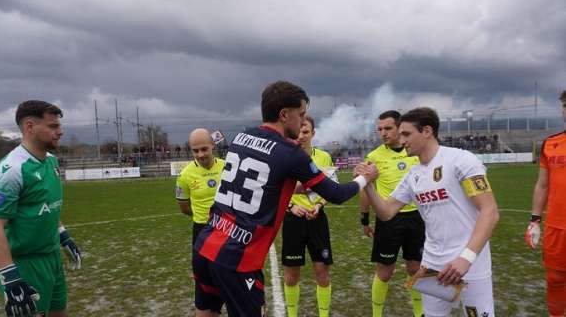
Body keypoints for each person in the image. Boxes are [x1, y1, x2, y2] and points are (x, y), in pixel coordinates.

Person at [192, 81, 377, 317]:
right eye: (300, 115)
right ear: (284, 114)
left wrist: (298, 186)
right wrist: (365, 178)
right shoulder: (292, 155)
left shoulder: (241, 137)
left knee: (205, 313)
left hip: (206, 245)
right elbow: (337, 195)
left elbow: (264, 185)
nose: (302, 122)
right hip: (237, 259)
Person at [359, 107, 499, 316]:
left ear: (426, 131)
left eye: (406, 134)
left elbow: (490, 211)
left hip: (470, 263)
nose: (401, 139)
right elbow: (387, 212)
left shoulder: (461, 160)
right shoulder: (413, 174)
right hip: (432, 264)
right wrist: (369, 184)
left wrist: (466, 258)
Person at [0, 100, 82, 317]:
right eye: (53, 127)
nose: (60, 132)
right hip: (26, 263)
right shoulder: (11, 170)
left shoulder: (52, 162)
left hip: (52, 256)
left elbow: (48, 205)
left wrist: (64, 236)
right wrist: (9, 276)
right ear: (29, 127)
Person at [359, 110, 424, 317]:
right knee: (385, 272)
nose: (383, 133)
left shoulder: (415, 153)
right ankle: (377, 314)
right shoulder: (374, 157)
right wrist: (364, 219)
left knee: (416, 269)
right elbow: (364, 189)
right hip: (388, 219)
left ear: (399, 128)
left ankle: (419, 312)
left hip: (417, 218)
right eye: (380, 130)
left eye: (388, 128)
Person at [282, 115, 337, 317]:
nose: (302, 135)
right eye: (299, 131)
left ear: (313, 133)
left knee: (322, 273)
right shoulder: (285, 158)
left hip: (317, 220)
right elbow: (275, 191)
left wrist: (320, 205)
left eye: (306, 132)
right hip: (292, 220)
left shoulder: (323, 157)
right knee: (291, 276)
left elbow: (332, 189)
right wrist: (290, 207)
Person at [525, 90, 566, 316]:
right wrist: (535, 220)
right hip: (557, 227)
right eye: (565, 105)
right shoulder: (551, 144)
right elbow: (542, 185)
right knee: (555, 278)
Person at [176, 128, 225, 247]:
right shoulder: (184, 175)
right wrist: (201, 215)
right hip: (201, 229)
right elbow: (185, 208)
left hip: (226, 228)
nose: (200, 155)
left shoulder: (227, 167)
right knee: (201, 266)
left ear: (212, 145)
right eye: (195, 151)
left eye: (204, 149)